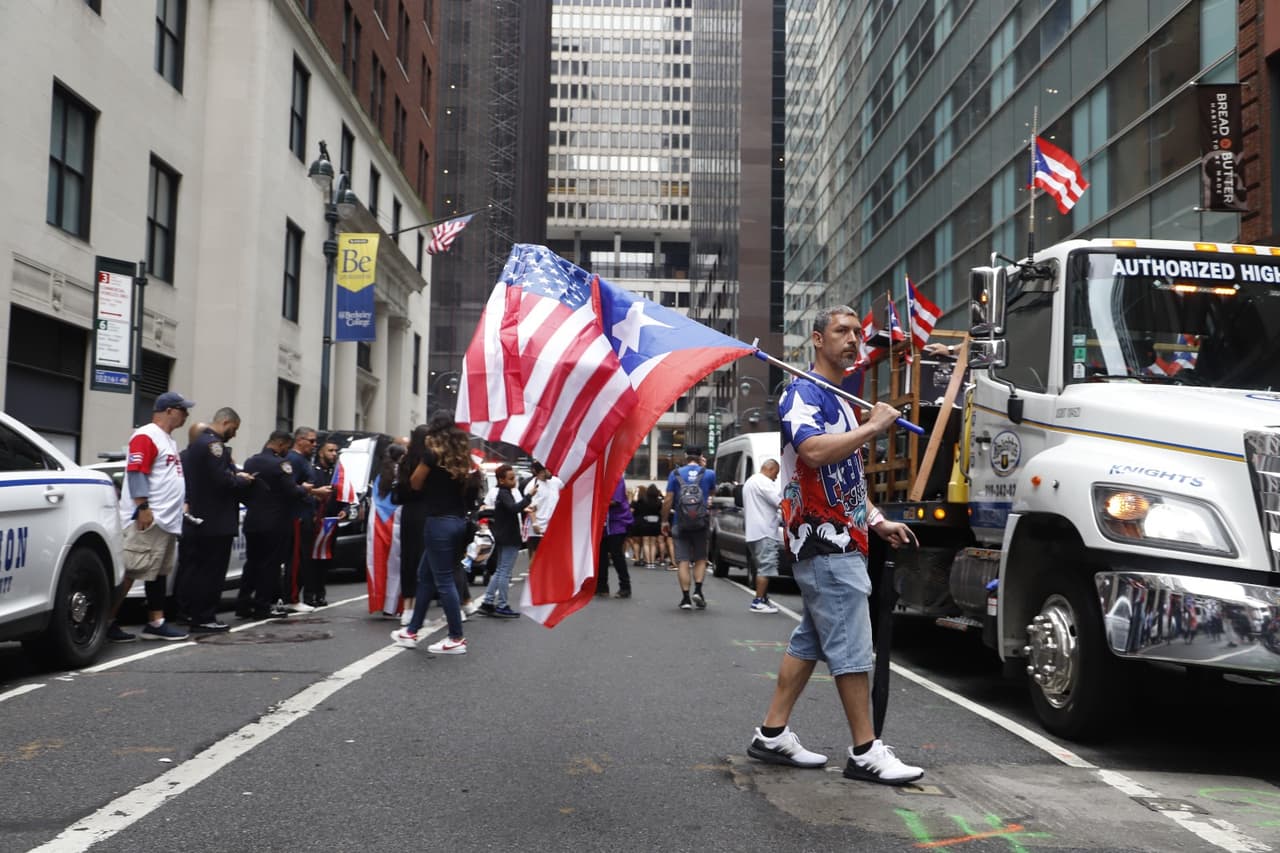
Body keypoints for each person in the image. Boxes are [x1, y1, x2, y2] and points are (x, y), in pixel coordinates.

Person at [747, 304, 923, 785]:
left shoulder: (840, 400)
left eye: (857, 334)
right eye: (842, 331)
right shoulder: (800, 392)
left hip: (845, 538)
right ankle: (866, 751)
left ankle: (771, 734)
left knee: (812, 641)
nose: (852, 340)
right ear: (818, 339)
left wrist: (877, 520)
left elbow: (846, 479)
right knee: (850, 647)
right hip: (823, 543)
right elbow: (813, 451)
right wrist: (872, 428)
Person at [107, 391, 196, 642]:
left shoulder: (167, 439)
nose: (186, 415)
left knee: (157, 572)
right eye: (182, 409)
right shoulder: (147, 434)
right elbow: (137, 471)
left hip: (165, 518)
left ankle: (156, 622)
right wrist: (142, 507)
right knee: (131, 570)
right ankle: (105, 621)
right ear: (169, 410)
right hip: (148, 517)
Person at [391, 415, 480, 654]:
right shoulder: (463, 458)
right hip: (457, 521)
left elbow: (415, 482)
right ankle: (411, 631)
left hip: (438, 522)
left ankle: (456, 638)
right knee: (426, 575)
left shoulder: (432, 455)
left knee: (443, 580)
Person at [178, 407, 255, 633]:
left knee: (200, 570)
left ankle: (196, 614)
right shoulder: (213, 445)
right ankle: (204, 617)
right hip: (215, 520)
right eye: (234, 428)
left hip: (202, 517)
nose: (234, 433)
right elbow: (221, 481)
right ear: (226, 421)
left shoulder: (195, 446)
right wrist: (242, 480)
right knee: (211, 572)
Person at [238, 431, 309, 620]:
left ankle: (243, 603)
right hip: (275, 522)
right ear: (281, 444)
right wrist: (305, 489)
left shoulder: (251, 462)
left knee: (252, 563)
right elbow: (291, 491)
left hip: (253, 520)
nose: (287, 451)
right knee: (270, 565)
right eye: (286, 447)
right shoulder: (281, 464)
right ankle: (262, 605)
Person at [661, 446, 716, 610]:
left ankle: (685, 598)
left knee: (683, 560)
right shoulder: (709, 474)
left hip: (680, 521)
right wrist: (704, 468)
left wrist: (664, 521)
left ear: (685, 456)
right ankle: (698, 590)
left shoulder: (675, 474)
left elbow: (668, 499)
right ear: (701, 457)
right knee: (700, 558)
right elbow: (712, 493)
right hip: (701, 522)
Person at [477, 464, 536, 617]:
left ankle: (488, 602)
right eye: (510, 478)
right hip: (509, 537)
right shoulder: (504, 493)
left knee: (500, 570)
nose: (514, 481)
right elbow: (514, 508)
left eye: (514, 477)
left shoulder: (504, 492)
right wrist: (529, 496)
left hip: (503, 536)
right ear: (501, 480)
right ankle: (502, 604)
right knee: (505, 572)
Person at [283, 427, 330, 612]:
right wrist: (315, 491)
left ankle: (296, 595)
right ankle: (292, 598)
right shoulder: (293, 459)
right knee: (296, 559)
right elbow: (290, 486)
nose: (314, 444)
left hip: (307, 513)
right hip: (298, 516)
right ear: (299, 440)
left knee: (303, 559)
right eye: (311, 441)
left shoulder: (303, 460)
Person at [367, 442, 405, 617]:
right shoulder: (404, 475)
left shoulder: (380, 476)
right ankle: (394, 605)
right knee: (397, 566)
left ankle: (380, 601)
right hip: (398, 521)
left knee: (378, 563)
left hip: (378, 523)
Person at [307, 437, 345, 607]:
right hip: (315, 520)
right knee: (311, 560)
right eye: (330, 450)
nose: (333, 454)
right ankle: (309, 594)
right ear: (321, 451)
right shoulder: (312, 471)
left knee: (326, 559)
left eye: (335, 451)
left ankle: (320, 593)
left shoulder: (337, 473)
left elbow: (342, 494)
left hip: (331, 522)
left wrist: (343, 508)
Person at [743, 458, 783, 614]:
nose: (776, 477)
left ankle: (764, 599)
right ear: (771, 469)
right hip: (765, 531)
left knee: (761, 566)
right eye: (776, 473)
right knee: (766, 567)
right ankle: (758, 601)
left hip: (753, 532)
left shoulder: (750, 482)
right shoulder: (764, 483)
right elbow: (780, 502)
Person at [595, 478, 633, 598]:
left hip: (617, 522)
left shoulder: (616, 478)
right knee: (601, 555)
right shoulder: (600, 477)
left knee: (616, 554)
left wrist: (596, 500)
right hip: (603, 523)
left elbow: (615, 501)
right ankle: (602, 586)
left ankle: (625, 587)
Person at [524, 462, 563, 557]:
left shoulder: (555, 481)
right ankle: (533, 572)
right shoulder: (531, 486)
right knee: (536, 557)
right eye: (549, 469)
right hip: (538, 528)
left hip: (553, 527)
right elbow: (530, 506)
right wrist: (534, 523)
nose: (552, 471)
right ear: (542, 471)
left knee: (552, 556)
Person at [632, 483, 664, 568]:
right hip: (656, 523)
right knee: (653, 544)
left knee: (646, 543)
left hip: (645, 522)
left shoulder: (643, 500)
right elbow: (661, 512)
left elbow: (634, 506)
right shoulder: (659, 501)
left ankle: (648, 562)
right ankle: (653, 562)